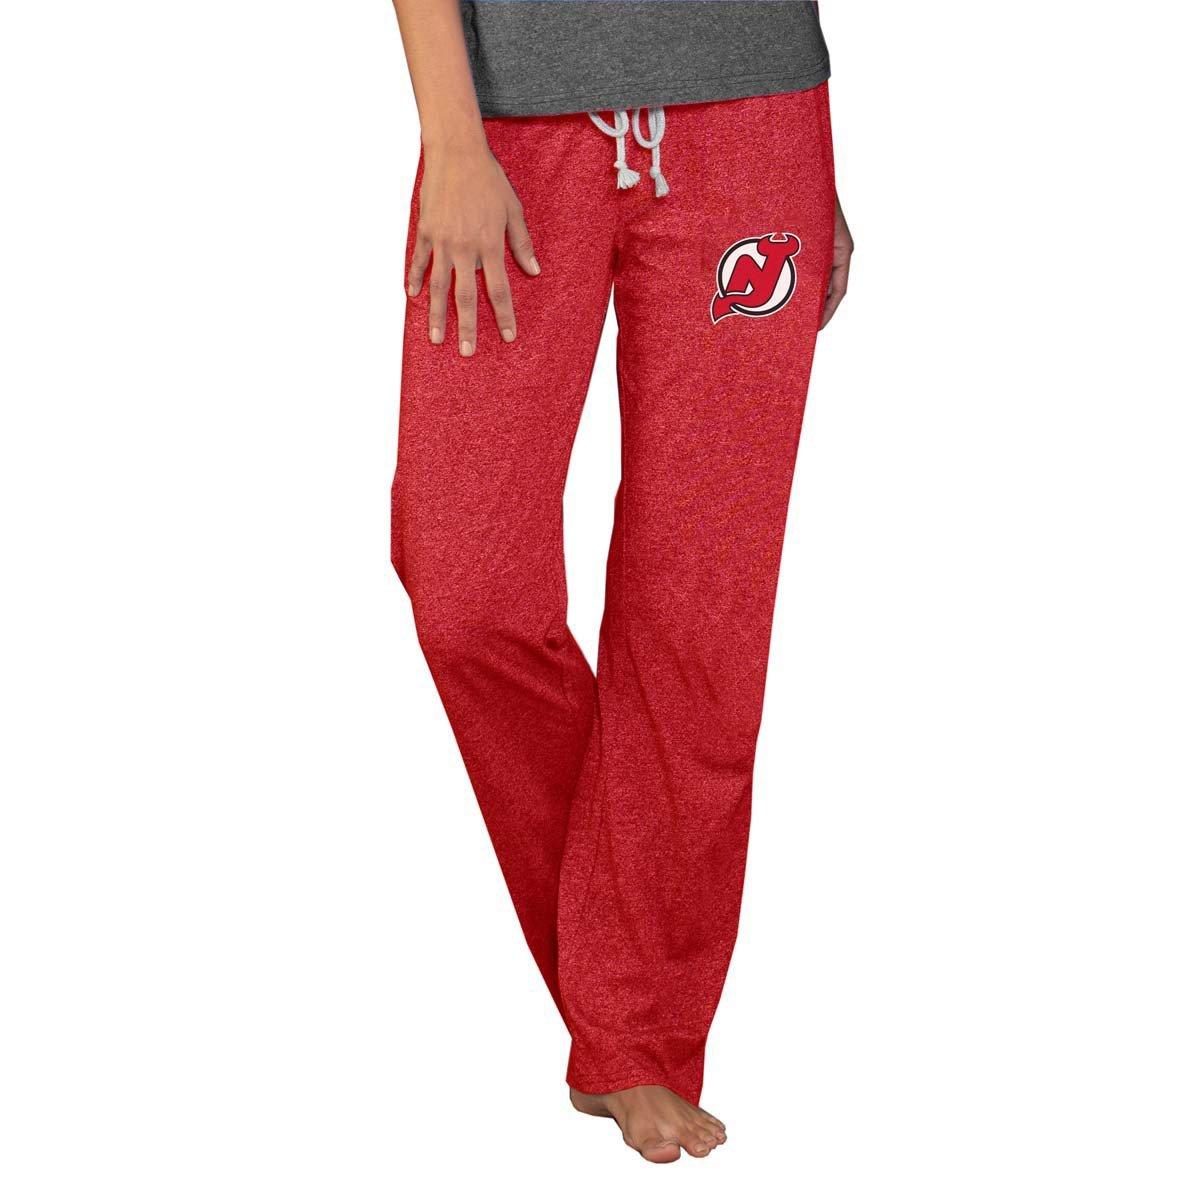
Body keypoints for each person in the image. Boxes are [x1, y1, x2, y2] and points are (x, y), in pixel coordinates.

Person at [388, 0, 853, 1164]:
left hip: (756, 124)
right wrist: (452, 138)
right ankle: (624, 981)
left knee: (699, 607)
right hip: (512, 132)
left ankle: (635, 1035)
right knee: (465, 588)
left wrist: (817, 163)